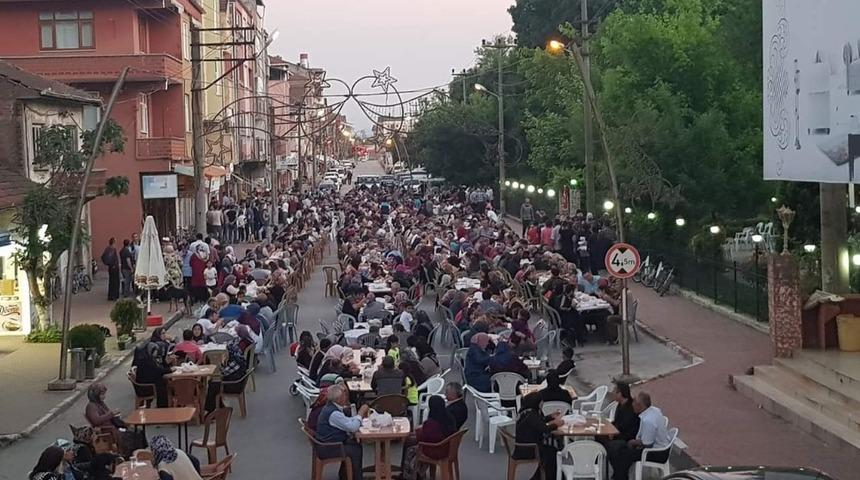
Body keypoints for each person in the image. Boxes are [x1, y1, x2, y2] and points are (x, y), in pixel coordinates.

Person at [607, 392, 672, 480]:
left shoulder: (648, 421)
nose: (632, 404)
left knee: (623, 454)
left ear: (640, 405)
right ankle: (619, 475)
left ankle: (620, 477)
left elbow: (647, 444)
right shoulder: (654, 410)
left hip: (656, 452)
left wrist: (633, 442)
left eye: (634, 402)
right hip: (660, 446)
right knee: (619, 447)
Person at [315, 383, 369, 480]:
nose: (346, 397)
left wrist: (356, 419)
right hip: (329, 448)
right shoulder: (334, 413)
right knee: (355, 449)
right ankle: (355, 477)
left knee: (355, 444)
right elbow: (352, 427)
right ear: (339, 398)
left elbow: (347, 422)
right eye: (344, 395)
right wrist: (360, 413)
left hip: (326, 443)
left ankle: (346, 475)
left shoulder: (330, 408)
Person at [401, 395, 458, 480]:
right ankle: (418, 472)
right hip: (447, 448)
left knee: (408, 445)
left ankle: (407, 474)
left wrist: (415, 433)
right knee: (411, 441)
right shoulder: (449, 417)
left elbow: (423, 438)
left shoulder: (432, 423)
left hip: (435, 450)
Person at [512, 393, 564, 480]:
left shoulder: (525, 412)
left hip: (522, 447)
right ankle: (550, 477)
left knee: (551, 450)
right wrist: (556, 424)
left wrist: (550, 417)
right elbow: (544, 428)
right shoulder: (531, 415)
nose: (542, 403)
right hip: (529, 449)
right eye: (541, 402)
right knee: (552, 452)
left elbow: (538, 423)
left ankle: (540, 476)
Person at [205, 339, 248, 413]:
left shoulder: (234, 362)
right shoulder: (239, 358)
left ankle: (210, 411)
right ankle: (219, 406)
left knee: (212, 386)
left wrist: (222, 362)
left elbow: (223, 372)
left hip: (233, 385)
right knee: (213, 384)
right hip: (237, 383)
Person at [131, 339, 172, 407]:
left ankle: (163, 405)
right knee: (162, 384)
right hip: (145, 388)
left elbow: (158, 369)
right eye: (155, 351)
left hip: (146, 383)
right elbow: (158, 371)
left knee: (163, 381)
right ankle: (162, 407)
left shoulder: (147, 358)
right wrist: (170, 370)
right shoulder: (146, 361)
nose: (156, 353)